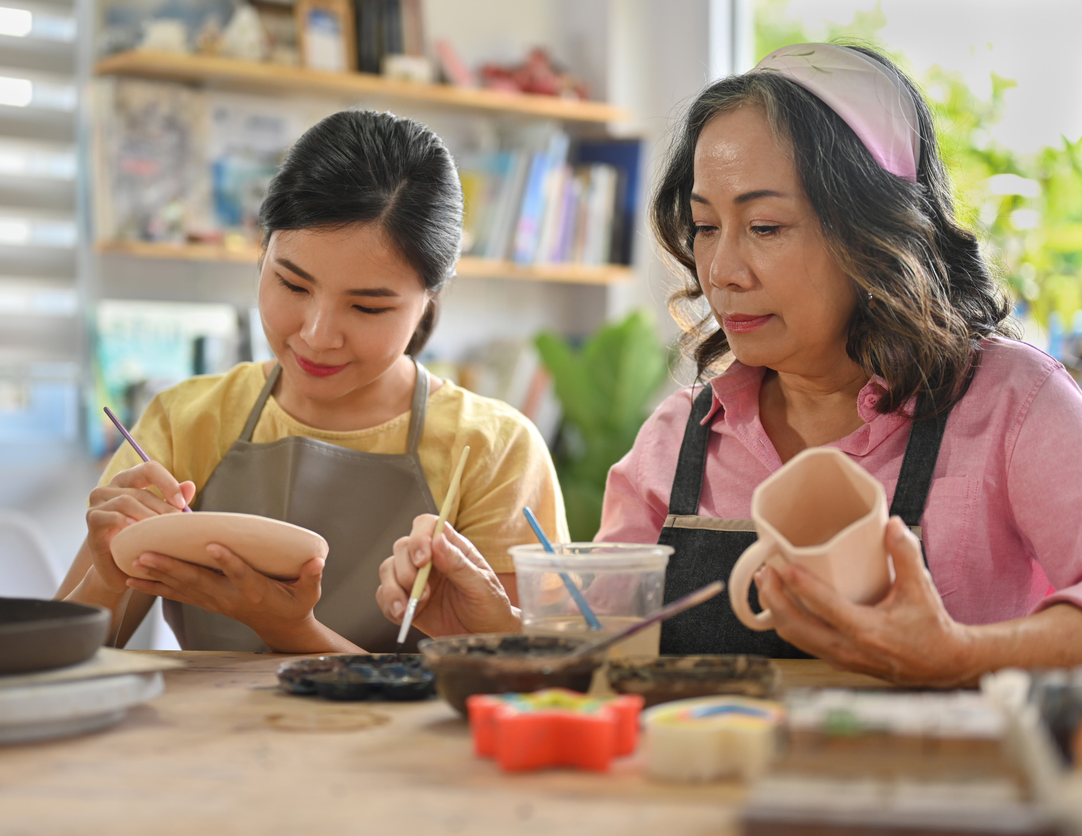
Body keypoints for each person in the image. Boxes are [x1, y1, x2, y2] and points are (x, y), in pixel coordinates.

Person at [376, 44, 1082, 687]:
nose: (721, 270)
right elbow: (604, 655)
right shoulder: (679, 437)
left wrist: (960, 655)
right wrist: (490, 624)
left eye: (765, 227)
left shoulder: (1012, 405)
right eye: (706, 227)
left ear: (876, 233)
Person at [56, 109, 567, 654]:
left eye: (368, 307)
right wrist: (107, 577)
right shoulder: (187, 421)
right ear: (263, 252)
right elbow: (56, 665)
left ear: (427, 303)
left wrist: (290, 630)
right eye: (293, 285)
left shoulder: (494, 450)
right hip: (202, 738)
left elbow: (516, 688)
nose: (318, 336)